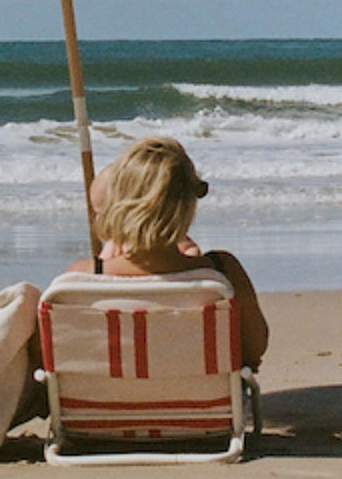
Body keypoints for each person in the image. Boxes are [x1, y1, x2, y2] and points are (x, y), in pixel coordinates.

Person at [68, 136, 268, 370]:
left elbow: (73, 353)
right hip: (202, 400)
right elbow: (255, 347)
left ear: (116, 204)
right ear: (187, 204)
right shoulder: (221, 271)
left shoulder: (84, 277)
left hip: (106, 402)